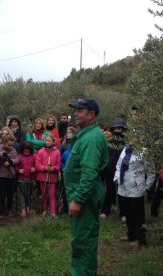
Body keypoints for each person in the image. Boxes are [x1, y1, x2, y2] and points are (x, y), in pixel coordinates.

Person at [64, 98, 109, 276]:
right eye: (75, 110)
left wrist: (79, 199)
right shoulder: (87, 134)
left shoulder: (91, 138)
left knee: (83, 241)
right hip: (82, 196)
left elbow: (89, 174)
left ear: (91, 114)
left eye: (80, 110)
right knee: (82, 239)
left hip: (85, 198)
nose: (75, 113)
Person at [114, 140, 155, 247]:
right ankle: (131, 234)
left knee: (138, 214)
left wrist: (147, 186)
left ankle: (141, 239)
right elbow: (118, 165)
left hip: (136, 187)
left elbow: (151, 171)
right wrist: (117, 178)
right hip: (123, 186)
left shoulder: (144, 151)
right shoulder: (125, 149)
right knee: (127, 212)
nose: (132, 140)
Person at [100, 118, 127, 220]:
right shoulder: (109, 142)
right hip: (109, 169)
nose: (118, 130)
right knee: (109, 191)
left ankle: (123, 213)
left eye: (120, 128)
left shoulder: (126, 142)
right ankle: (105, 211)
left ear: (123, 130)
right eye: (116, 128)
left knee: (122, 192)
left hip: (123, 170)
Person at [0, 134, 19, 219]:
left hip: (10, 175)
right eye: (8, 145)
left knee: (10, 193)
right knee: (1, 194)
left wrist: (10, 162)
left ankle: (9, 209)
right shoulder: (0, 148)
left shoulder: (13, 150)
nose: (10, 147)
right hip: (1, 175)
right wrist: (3, 154)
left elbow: (17, 159)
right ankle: (0, 210)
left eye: (12, 145)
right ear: (4, 143)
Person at [35, 134, 61, 217]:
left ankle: (53, 212)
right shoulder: (41, 151)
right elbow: (37, 164)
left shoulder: (57, 152)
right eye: (46, 140)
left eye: (49, 141)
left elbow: (58, 165)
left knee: (51, 194)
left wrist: (53, 168)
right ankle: (44, 210)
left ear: (53, 142)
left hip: (52, 177)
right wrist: (44, 168)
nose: (47, 142)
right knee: (44, 194)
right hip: (42, 176)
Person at [59, 126, 78, 214]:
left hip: (75, 171)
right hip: (65, 171)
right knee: (65, 190)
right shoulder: (64, 144)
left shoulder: (77, 143)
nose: (67, 134)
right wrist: (62, 168)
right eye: (67, 133)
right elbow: (59, 156)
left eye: (70, 132)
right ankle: (65, 209)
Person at [16, 142, 36, 217]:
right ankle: (23, 209)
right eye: (25, 150)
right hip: (21, 179)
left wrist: (35, 168)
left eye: (28, 150)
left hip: (30, 179)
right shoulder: (19, 156)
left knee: (28, 194)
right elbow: (15, 166)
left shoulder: (34, 156)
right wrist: (18, 170)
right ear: (22, 150)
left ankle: (28, 207)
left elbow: (36, 165)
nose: (26, 152)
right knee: (22, 194)